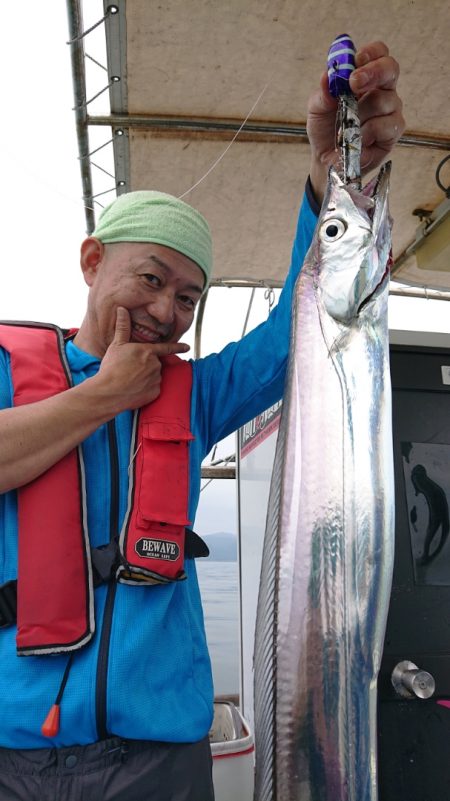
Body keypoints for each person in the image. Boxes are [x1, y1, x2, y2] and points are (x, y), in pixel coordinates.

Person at [0, 41, 404, 801]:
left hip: (161, 753)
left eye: (188, 298)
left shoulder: (196, 393)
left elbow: (300, 329)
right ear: (92, 261)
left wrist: (328, 177)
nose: (165, 310)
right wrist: (105, 393)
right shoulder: (6, 368)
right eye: (150, 279)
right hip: (15, 749)